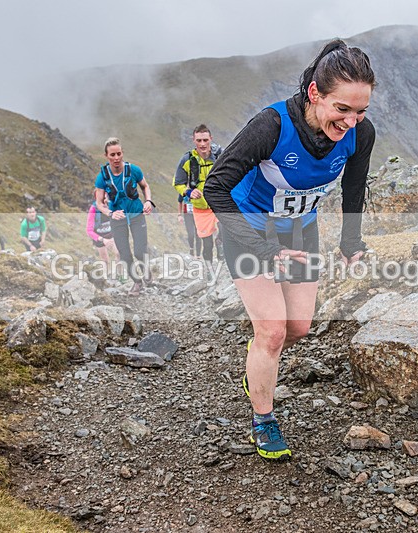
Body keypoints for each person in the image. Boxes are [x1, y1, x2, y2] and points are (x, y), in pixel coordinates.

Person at [204, 39, 376, 460]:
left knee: (298, 326)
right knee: (273, 331)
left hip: (300, 231)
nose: (351, 121)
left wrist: (350, 242)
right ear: (315, 93)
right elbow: (216, 188)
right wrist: (263, 249)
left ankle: (257, 364)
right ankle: (263, 420)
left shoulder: (360, 134)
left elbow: (354, 188)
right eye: (342, 109)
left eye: (360, 111)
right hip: (249, 230)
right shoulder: (271, 126)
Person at [94, 137, 154, 296]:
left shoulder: (134, 170)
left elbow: (145, 186)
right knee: (124, 254)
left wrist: (148, 201)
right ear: (106, 156)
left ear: (122, 153)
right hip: (117, 218)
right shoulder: (102, 177)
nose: (116, 158)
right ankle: (137, 282)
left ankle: (146, 270)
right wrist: (111, 213)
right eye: (112, 155)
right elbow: (99, 203)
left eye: (119, 154)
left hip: (136, 214)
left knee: (140, 251)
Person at [174, 125, 223, 269]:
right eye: (199, 140)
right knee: (207, 243)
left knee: (226, 231)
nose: (202, 144)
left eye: (205, 140)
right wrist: (189, 192)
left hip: (220, 203)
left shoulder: (220, 156)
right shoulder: (187, 159)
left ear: (211, 139)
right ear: (193, 140)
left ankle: (221, 245)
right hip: (201, 208)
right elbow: (178, 183)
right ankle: (209, 270)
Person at [86, 194, 122, 280]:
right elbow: (89, 230)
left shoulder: (112, 206)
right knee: (105, 260)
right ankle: (105, 279)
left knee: (119, 253)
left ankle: (119, 276)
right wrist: (102, 240)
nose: (103, 200)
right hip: (99, 237)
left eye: (105, 197)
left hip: (112, 234)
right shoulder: (93, 209)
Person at [177, 193, 201, 258]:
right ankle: (191, 249)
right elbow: (180, 201)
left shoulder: (198, 189)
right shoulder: (183, 190)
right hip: (187, 215)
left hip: (198, 215)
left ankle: (198, 255)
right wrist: (179, 215)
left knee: (198, 234)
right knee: (191, 234)